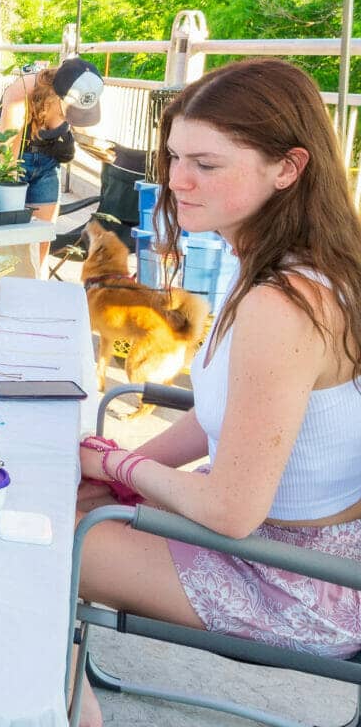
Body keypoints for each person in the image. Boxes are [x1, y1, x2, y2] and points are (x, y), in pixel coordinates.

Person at [74, 58, 361, 726]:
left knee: (35, 536)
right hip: (286, 546)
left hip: (296, 583)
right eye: (174, 156)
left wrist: (117, 464)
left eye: (206, 163)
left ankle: (68, 708)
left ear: (288, 167)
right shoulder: (278, 260)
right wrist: (118, 474)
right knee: (65, 496)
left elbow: (231, 509)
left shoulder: (283, 303)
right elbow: (217, 417)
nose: (176, 180)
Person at [0, 57, 103, 268]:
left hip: (48, 164)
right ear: (56, 96)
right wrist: (10, 192)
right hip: (17, 158)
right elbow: (7, 150)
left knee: (42, 239)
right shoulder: (22, 93)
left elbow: (83, 130)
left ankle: (40, 284)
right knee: (9, 239)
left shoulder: (83, 91)